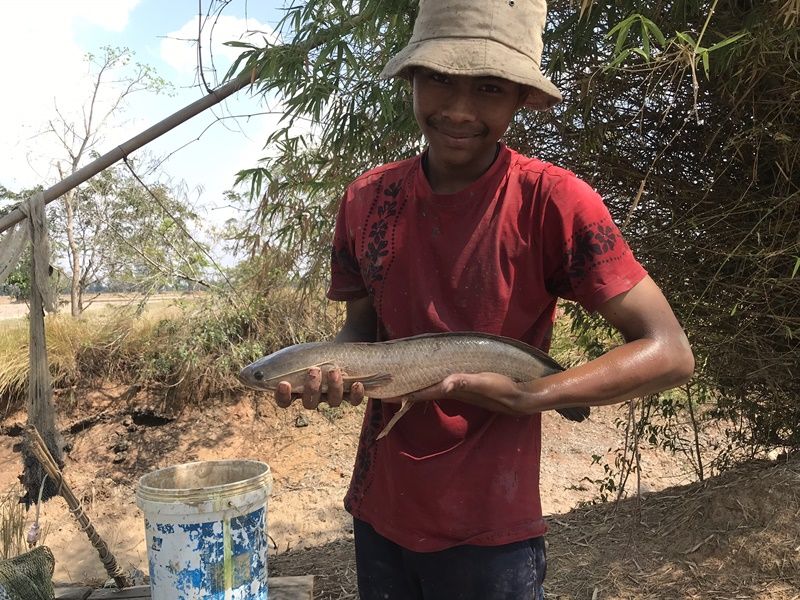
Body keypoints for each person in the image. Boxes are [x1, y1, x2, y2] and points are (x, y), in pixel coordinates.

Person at [274, 0, 695, 597]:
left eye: (490, 87)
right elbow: (360, 333)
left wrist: (532, 396)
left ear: (522, 97)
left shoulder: (553, 202)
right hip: (379, 511)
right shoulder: (366, 200)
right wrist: (333, 373)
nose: (459, 109)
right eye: (439, 78)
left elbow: (669, 351)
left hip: (492, 529)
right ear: (411, 78)